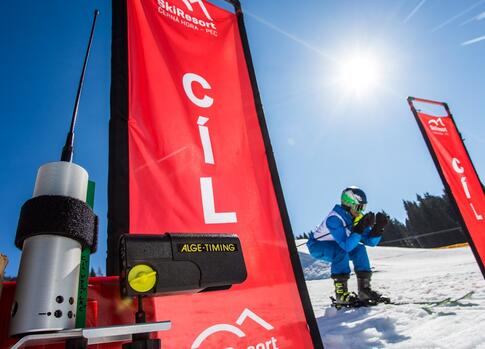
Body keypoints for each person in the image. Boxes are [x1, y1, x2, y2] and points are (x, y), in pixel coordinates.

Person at [306, 186, 389, 306]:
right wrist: (359, 229)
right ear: (348, 204)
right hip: (318, 246)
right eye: (359, 207)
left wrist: (378, 229)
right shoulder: (334, 218)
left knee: (360, 249)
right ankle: (341, 295)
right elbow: (346, 246)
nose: (360, 211)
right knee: (341, 251)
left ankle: (364, 290)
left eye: (363, 207)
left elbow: (371, 242)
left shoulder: (356, 217)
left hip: (339, 244)